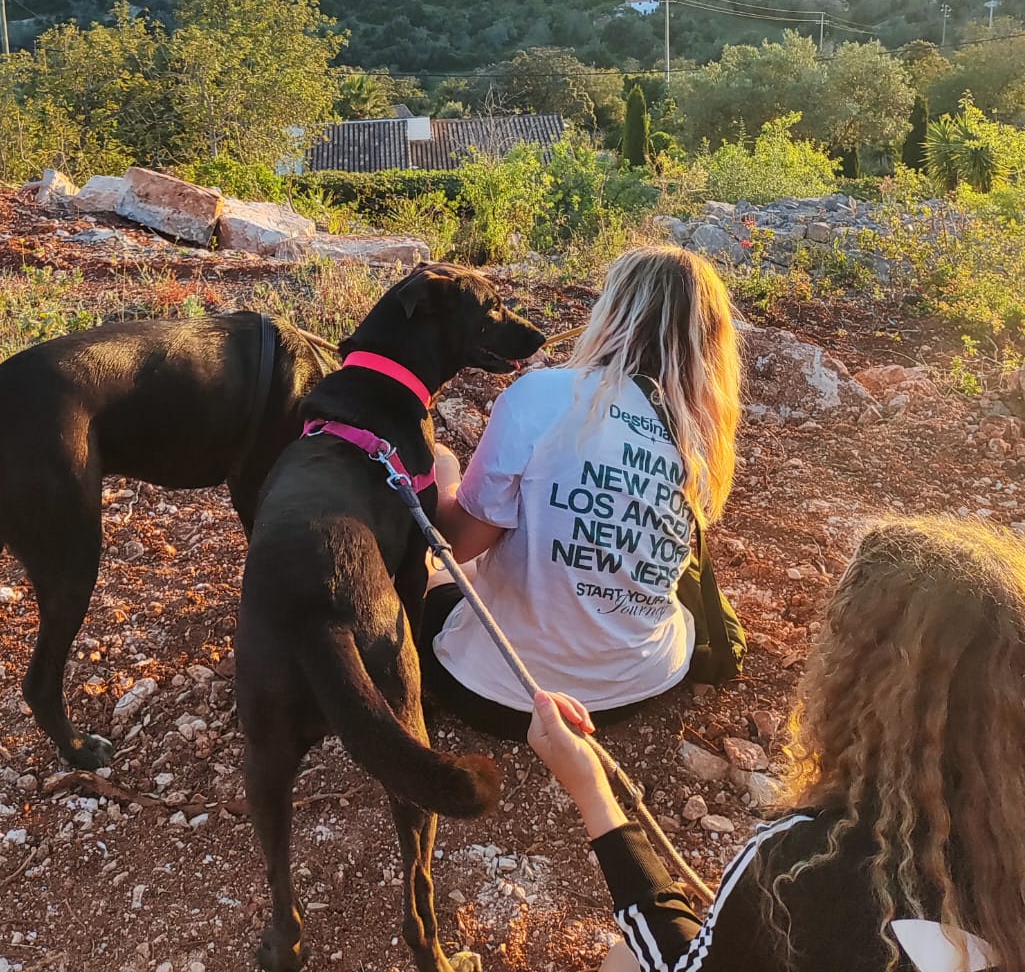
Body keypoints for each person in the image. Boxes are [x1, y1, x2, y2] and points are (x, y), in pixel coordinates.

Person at [527, 514, 1024, 972]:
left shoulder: (802, 866)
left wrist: (593, 794)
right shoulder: (1000, 860)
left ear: (861, 688)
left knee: (624, 962)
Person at [421, 245, 741, 739]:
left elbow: (458, 544)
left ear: (610, 312)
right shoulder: (698, 434)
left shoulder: (541, 394)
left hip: (503, 693)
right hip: (640, 685)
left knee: (437, 573)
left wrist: (442, 473)